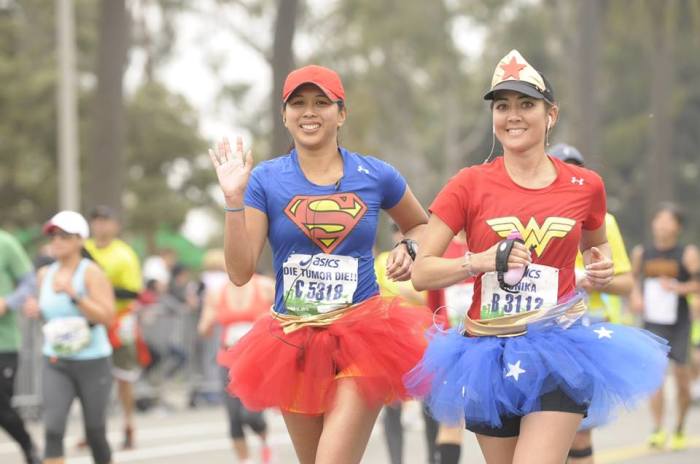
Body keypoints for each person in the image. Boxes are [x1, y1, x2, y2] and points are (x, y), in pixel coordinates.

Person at [404, 50, 669, 464]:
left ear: (551, 114)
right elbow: (422, 273)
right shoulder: (468, 184)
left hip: (557, 347)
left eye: (526, 104)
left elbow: (596, 251)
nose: (513, 115)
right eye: (502, 106)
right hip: (486, 353)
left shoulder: (586, 185)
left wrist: (598, 268)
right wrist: (479, 261)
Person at [209, 64, 431, 464]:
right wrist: (233, 201)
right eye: (298, 103)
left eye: (320, 102)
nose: (309, 112)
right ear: (284, 115)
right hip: (293, 338)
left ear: (341, 113)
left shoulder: (375, 174)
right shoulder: (264, 179)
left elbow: (419, 225)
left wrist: (410, 249)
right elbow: (240, 272)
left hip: (363, 334)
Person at [549, 143, 634, 464]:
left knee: (580, 427)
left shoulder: (604, 221)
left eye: (575, 167)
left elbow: (626, 283)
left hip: (592, 333)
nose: (569, 173)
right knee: (546, 427)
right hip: (542, 331)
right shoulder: (531, 215)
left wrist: (591, 277)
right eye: (561, 165)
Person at [24, 211, 115, 464]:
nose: (56, 241)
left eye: (63, 236)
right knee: (52, 430)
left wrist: (75, 296)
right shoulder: (45, 274)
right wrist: (37, 311)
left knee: (95, 432)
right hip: (56, 361)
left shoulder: (91, 272)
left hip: (93, 362)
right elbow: (52, 317)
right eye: (53, 236)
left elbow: (108, 317)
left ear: (79, 240)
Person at [629, 203, 700, 451]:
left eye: (668, 221)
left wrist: (678, 288)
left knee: (681, 379)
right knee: (654, 375)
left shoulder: (687, 253)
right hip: (653, 321)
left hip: (679, 323)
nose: (662, 225)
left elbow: (697, 285)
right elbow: (632, 279)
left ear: (678, 227)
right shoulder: (642, 252)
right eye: (658, 220)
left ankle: (679, 426)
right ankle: (658, 428)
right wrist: (636, 296)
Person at [198, 253, 275, 464]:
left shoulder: (266, 286)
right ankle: (245, 460)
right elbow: (203, 326)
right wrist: (207, 323)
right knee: (233, 416)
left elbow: (284, 315)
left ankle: (264, 440)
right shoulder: (216, 292)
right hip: (228, 358)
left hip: (257, 359)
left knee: (251, 414)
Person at [375, 224, 437, 464]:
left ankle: (434, 458)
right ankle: (396, 460)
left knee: (431, 405)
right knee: (392, 406)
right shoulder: (382, 260)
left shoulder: (428, 261)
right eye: (397, 230)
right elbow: (375, 293)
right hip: (391, 341)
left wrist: (400, 289)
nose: (401, 235)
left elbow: (428, 295)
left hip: (424, 340)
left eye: (407, 230)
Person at [84, 205, 143, 449]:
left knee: (122, 377)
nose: (101, 225)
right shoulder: (83, 249)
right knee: (88, 376)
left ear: (115, 225)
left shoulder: (124, 254)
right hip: (91, 319)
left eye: (106, 221)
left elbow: (133, 291)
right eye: (96, 220)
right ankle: (93, 429)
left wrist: (101, 284)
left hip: (119, 319)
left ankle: (128, 424)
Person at [0, 229, 41, 464]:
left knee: (1, 406)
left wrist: (8, 302)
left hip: (3, 342)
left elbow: (29, 282)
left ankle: (27, 445)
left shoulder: (6, 242)